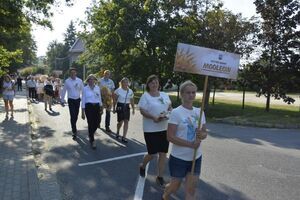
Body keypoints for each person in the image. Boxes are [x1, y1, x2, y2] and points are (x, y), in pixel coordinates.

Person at [162, 80, 208, 200]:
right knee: (175, 186)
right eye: (188, 92)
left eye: (193, 92)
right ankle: (166, 195)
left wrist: (201, 134)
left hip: (195, 157)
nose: (191, 95)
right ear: (182, 94)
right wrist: (190, 144)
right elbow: (170, 136)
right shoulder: (176, 112)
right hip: (179, 158)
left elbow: (205, 133)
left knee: (191, 190)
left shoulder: (200, 111)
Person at [138, 75, 172, 187]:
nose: (154, 84)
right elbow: (142, 110)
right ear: (148, 84)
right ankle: (142, 166)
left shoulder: (164, 94)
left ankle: (160, 176)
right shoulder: (145, 96)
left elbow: (169, 106)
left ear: (159, 84)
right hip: (150, 129)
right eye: (152, 82)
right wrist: (154, 117)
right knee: (152, 154)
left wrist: (167, 114)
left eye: (156, 82)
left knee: (163, 153)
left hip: (164, 128)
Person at [61, 68, 84, 140]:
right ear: (70, 74)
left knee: (76, 115)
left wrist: (84, 99)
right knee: (72, 115)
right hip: (70, 100)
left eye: (74, 73)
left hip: (77, 100)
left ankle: (74, 125)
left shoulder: (79, 80)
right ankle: (74, 131)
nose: (73, 74)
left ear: (76, 73)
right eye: (71, 73)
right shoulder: (67, 81)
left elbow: (83, 90)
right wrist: (62, 100)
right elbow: (64, 91)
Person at [81, 74, 103, 149]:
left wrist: (101, 107)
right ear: (87, 80)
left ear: (95, 80)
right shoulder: (85, 88)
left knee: (97, 122)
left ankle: (90, 134)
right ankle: (92, 140)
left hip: (97, 106)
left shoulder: (97, 88)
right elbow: (83, 100)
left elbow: (99, 98)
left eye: (93, 79)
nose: (91, 80)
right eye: (90, 79)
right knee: (90, 123)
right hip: (89, 107)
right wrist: (82, 112)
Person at [112, 77, 135, 143]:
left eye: (126, 82)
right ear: (121, 83)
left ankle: (124, 137)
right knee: (120, 122)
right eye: (124, 82)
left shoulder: (130, 91)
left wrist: (133, 108)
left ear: (128, 83)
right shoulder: (118, 90)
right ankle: (118, 130)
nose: (125, 83)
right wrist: (113, 108)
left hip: (127, 106)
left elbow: (132, 100)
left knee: (126, 121)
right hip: (120, 106)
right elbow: (115, 100)